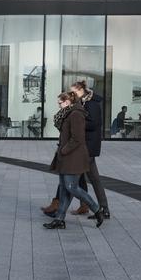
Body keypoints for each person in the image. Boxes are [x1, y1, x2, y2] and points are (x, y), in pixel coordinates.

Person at [43, 91, 106, 230]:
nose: (58, 105)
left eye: (60, 102)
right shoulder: (67, 113)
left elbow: (77, 138)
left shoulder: (76, 114)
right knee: (65, 189)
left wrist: (64, 150)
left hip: (74, 157)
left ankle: (97, 209)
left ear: (68, 102)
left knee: (71, 187)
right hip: (66, 157)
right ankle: (59, 219)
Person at [70, 80, 111, 220]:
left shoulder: (92, 103)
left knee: (77, 179)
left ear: (81, 90)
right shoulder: (83, 102)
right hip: (84, 145)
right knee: (89, 178)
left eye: (73, 92)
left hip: (88, 146)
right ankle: (96, 207)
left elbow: (94, 124)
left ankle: (99, 208)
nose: (72, 94)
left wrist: (77, 121)